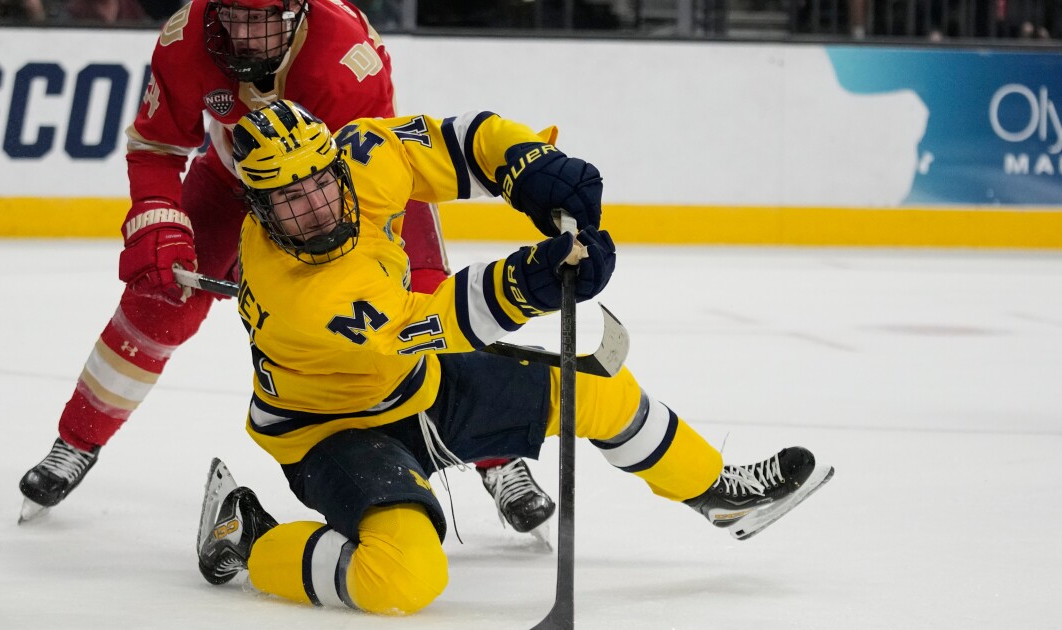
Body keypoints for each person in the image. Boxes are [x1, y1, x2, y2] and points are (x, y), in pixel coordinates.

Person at [194, 100, 835, 614]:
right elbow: (431, 323)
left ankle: (720, 494)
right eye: (288, 198)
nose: (316, 208)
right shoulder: (300, 295)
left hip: (416, 383)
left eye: (319, 184)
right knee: (403, 579)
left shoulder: (360, 158)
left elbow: (457, 139)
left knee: (598, 390)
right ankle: (250, 538)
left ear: (336, 165)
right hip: (332, 432)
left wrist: (529, 165)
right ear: (260, 206)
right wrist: (528, 279)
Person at [17, 0, 555, 535]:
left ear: (299, 10)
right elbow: (155, 145)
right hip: (236, 182)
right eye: (235, 16)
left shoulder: (343, 58)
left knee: (427, 306)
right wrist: (160, 223)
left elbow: (368, 174)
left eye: (266, 18)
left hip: (347, 190)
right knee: (157, 301)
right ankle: (76, 440)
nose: (249, 35)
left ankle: (501, 456)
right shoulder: (185, 39)